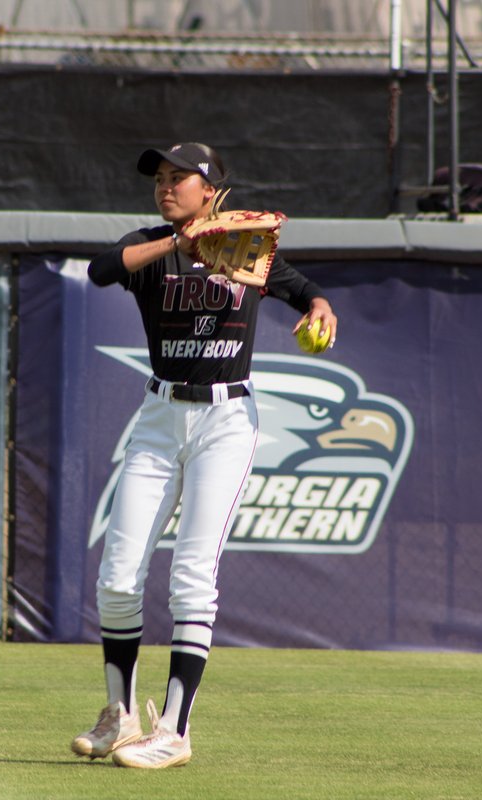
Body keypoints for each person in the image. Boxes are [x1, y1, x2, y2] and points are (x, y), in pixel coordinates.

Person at [70, 142, 337, 769]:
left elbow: (309, 294)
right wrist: (177, 241)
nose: (166, 187)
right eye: (160, 178)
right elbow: (101, 269)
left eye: (179, 179)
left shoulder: (248, 246)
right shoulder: (150, 247)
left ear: (212, 189)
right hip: (161, 417)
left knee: (192, 577)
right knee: (116, 576)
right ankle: (120, 716)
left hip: (226, 419)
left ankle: (177, 731)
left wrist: (321, 312)